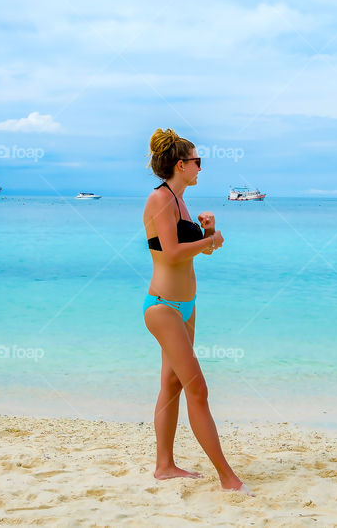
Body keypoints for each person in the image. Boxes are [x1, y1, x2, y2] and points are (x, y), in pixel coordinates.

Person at [141, 128, 254, 495]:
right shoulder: (160, 200)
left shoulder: (180, 201)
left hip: (185, 306)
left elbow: (200, 250)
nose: (200, 168)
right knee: (198, 390)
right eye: (197, 161)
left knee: (172, 384)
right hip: (162, 307)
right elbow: (171, 254)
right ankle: (228, 478)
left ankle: (164, 466)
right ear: (180, 164)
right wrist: (210, 240)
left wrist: (209, 232)